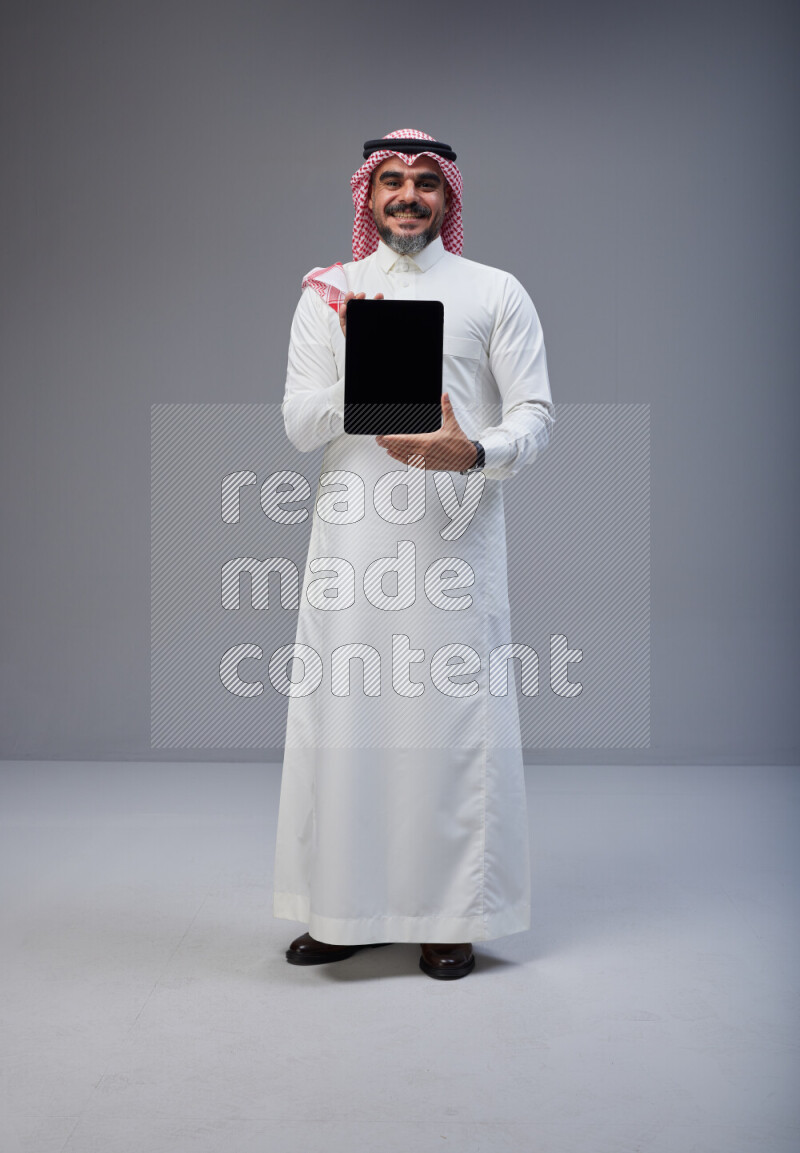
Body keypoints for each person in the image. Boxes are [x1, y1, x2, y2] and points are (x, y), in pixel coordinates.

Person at [273, 129, 554, 979]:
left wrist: (472, 452)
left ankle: (448, 915)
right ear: (367, 196)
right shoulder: (331, 291)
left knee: (447, 725)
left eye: (424, 183)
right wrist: (366, 371)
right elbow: (296, 423)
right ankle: (343, 910)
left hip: (453, 538)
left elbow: (537, 415)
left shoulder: (495, 291)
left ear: (447, 198)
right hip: (354, 543)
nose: (406, 195)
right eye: (390, 181)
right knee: (348, 724)